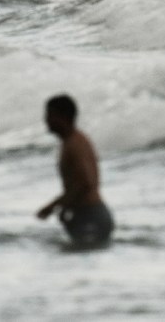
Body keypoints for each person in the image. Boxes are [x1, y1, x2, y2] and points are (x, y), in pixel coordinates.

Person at [37, 94, 114, 247]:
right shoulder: (72, 141)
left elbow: (85, 183)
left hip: (91, 215)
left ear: (62, 117)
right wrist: (65, 207)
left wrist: (53, 206)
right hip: (87, 214)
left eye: (49, 115)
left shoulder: (74, 144)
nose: (46, 120)